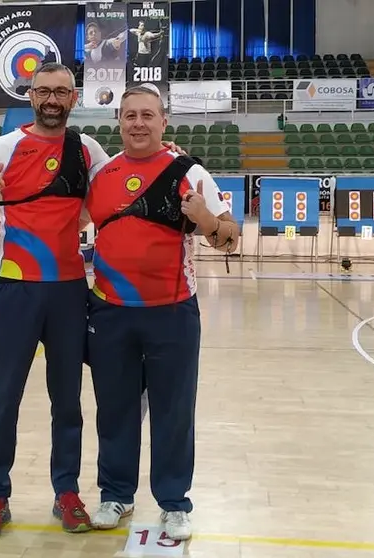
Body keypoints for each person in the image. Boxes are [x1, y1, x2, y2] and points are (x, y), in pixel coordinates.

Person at [0, 63, 184, 541]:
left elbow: (129, 176)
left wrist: (174, 156)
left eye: (61, 91)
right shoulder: (3, 147)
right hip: (11, 288)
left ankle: (67, 493)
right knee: (3, 400)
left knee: (69, 402)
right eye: (43, 91)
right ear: (31, 95)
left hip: (68, 290)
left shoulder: (88, 149)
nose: (52, 98)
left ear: (73, 98)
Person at [84, 86, 239, 541]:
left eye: (147, 115)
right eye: (130, 115)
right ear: (119, 121)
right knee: (114, 410)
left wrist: (206, 220)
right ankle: (116, 494)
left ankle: (174, 503)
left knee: (174, 411)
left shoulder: (189, 171)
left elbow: (230, 236)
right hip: (110, 312)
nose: (138, 123)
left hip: (171, 313)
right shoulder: (101, 175)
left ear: (163, 122)